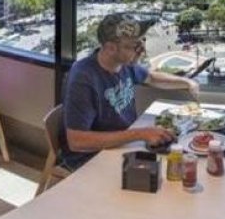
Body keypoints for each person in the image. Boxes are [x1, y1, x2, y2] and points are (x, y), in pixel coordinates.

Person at [59, 13, 200, 172]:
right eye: (133, 46)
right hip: (91, 158)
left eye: (141, 42)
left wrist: (187, 82)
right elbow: (77, 141)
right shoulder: (83, 78)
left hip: (123, 144)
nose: (141, 50)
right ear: (111, 48)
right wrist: (139, 134)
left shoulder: (125, 64)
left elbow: (152, 78)